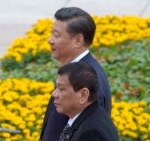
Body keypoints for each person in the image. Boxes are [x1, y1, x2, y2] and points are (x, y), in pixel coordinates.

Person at [40, 7, 111, 141]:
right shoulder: (74, 71)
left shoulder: (89, 80)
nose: (50, 40)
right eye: (52, 34)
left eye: (57, 35)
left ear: (78, 40)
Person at [54, 62, 118, 141]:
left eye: (61, 89)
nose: (54, 94)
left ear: (83, 95)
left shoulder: (92, 133)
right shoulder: (85, 118)